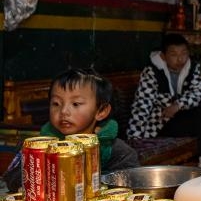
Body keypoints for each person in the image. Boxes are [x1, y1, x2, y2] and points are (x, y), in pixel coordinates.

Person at [3, 68, 139, 192]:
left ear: (101, 111)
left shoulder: (115, 150)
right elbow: (12, 177)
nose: (64, 111)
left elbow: (130, 182)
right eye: (56, 103)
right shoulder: (35, 147)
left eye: (75, 104)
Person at [127, 32, 201, 170]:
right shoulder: (152, 72)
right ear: (164, 56)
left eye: (183, 53)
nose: (180, 59)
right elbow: (142, 106)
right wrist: (134, 139)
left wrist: (178, 105)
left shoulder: (192, 69)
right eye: (174, 54)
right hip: (161, 124)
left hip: (181, 120)